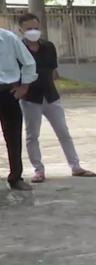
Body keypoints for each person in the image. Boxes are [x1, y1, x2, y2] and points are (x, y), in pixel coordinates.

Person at [17, 13, 96, 182]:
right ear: (21, 30)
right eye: (29, 29)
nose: (33, 31)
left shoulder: (48, 47)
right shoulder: (18, 49)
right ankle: (38, 170)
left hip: (51, 96)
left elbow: (52, 70)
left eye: (36, 28)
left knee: (63, 132)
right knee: (32, 135)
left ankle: (76, 167)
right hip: (30, 98)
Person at [0, 25, 38, 191]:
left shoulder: (9, 38)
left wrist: (24, 86)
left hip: (7, 92)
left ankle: (16, 177)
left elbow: (29, 62)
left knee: (13, 137)